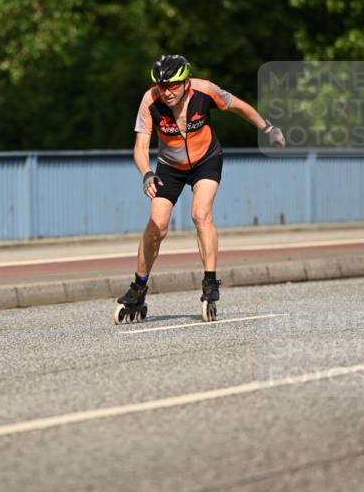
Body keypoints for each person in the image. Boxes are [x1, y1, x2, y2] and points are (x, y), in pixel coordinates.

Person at [115, 54, 285, 321]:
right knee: (156, 225)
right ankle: (138, 287)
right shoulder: (150, 100)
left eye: (172, 85)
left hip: (206, 159)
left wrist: (267, 128)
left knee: (200, 214)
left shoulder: (206, 91)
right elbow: (139, 147)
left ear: (186, 83)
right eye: (161, 86)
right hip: (169, 167)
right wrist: (147, 173)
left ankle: (209, 282)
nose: (166, 92)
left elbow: (240, 107)